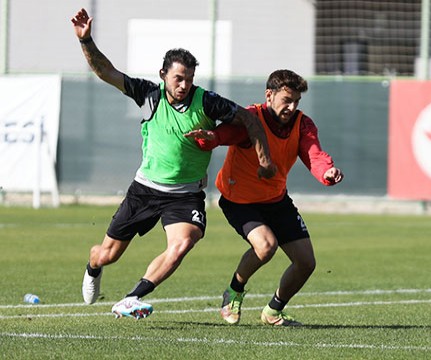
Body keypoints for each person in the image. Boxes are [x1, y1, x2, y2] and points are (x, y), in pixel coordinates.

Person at [71, 8, 276, 320]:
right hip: (144, 190)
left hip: (185, 195)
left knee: (183, 243)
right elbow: (105, 72)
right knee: (108, 254)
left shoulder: (207, 101)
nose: (184, 84)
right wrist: (86, 41)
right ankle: (93, 264)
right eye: (179, 78)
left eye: (189, 79)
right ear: (163, 75)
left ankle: (131, 298)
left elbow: (248, 120)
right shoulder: (149, 95)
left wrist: (263, 159)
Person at [185, 69, 344, 326]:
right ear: (269, 95)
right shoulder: (250, 118)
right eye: (286, 100)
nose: (291, 107)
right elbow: (224, 134)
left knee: (306, 263)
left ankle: (273, 311)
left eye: (296, 102)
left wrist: (326, 171)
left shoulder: (303, 124)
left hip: (275, 200)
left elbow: (313, 153)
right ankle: (234, 291)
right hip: (239, 200)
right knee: (266, 246)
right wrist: (210, 139)